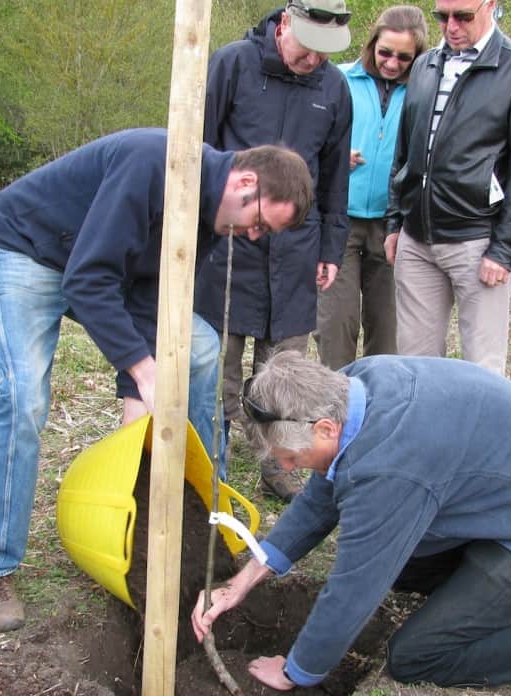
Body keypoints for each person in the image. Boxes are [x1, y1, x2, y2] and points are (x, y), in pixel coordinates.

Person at [193, 351, 511, 695]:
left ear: (324, 426)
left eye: (288, 457)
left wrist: (296, 671)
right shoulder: (359, 384)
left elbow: (354, 587)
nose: (285, 468)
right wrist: (243, 582)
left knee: (418, 655)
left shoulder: (391, 467)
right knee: (403, 565)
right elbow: (320, 501)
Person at [0, 128, 313, 632]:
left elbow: (160, 305)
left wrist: (137, 400)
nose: (254, 236)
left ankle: (201, 517)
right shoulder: (152, 163)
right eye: (259, 223)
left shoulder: (211, 221)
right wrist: (140, 368)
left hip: (101, 273)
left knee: (198, 347)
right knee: (24, 398)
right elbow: (87, 278)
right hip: (26, 250)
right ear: (244, 182)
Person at [196, 0, 353, 500]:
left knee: (285, 368)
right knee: (216, 362)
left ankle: (279, 463)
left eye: (326, 53)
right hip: (227, 241)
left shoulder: (334, 88)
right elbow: (196, 150)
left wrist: (331, 245)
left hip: (296, 249)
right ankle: (207, 465)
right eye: (308, 48)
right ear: (284, 25)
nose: (315, 60)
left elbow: (334, 177)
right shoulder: (232, 63)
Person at [385, 0, 511, 375]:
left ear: (490, 5)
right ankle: (427, 436)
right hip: (416, 239)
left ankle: (479, 436)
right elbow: (404, 153)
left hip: (478, 242)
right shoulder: (425, 65)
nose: (451, 26)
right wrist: (395, 223)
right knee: (415, 369)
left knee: (483, 371)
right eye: (442, 16)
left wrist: (506, 250)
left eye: (463, 16)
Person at [315, 6, 428, 370]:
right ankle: (335, 410)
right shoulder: (337, 79)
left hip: (394, 226)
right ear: (372, 44)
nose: (393, 64)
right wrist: (332, 156)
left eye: (404, 57)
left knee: (388, 332)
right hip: (339, 222)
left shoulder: (424, 91)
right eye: (385, 53)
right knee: (335, 327)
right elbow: (307, 140)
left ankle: (379, 413)